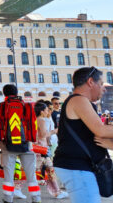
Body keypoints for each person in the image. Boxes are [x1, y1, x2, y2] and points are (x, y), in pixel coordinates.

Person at [54, 67, 113, 202]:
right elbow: (101, 131)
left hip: (80, 167)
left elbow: (98, 134)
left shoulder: (82, 102)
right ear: (90, 82)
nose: (103, 89)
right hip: (77, 167)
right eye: (101, 84)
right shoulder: (78, 100)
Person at [0, 84, 40, 203]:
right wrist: (30, 140)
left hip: (8, 145)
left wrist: (0, 139)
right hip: (26, 144)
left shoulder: (1, 106)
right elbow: (33, 124)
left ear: (4, 94)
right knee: (31, 174)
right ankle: (36, 198)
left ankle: (8, 199)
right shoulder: (27, 106)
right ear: (16, 92)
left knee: (8, 174)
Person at [35, 102, 68, 199]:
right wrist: (55, 131)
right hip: (40, 149)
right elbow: (43, 135)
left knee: (50, 169)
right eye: (46, 109)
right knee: (33, 170)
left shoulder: (37, 119)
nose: (47, 111)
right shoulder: (41, 120)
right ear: (42, 111)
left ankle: (57, 192)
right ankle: (16, 187)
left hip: (41, 149)